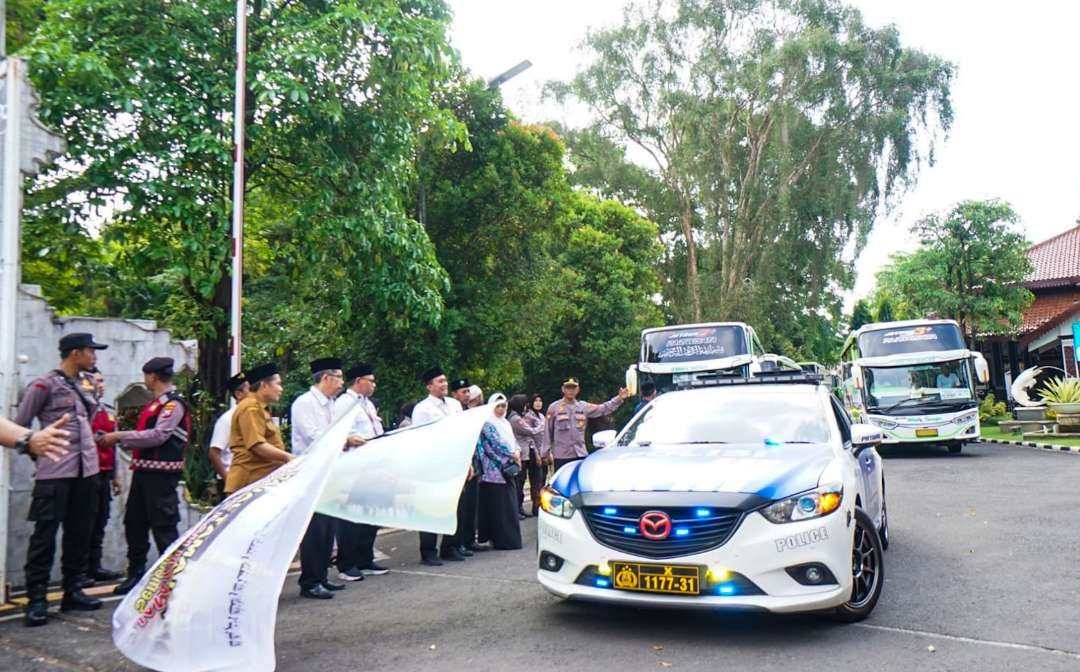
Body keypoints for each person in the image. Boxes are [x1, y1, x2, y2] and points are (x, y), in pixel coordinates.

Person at [14, 332, 107, 625]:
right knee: (44, 536)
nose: (95, 356)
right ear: (75, 353)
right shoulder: (43, 385)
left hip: (87, 472)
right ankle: (37, 600)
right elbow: (20, 428)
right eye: (91, 351)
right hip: (55, 473)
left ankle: (73, 591)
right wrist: (40, 456)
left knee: (80, 533)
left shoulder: (86, 385)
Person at [102, 357, 190, 596]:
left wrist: (120, 436)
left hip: (161, 475)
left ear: (152, 376)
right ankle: (136, 573)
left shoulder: (173, 404)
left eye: (146, 376)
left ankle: (172, 578)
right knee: (135, 523)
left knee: (164, 526)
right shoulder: (157, 404)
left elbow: (158, 436)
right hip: (144, 472)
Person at [291, 357, 347, 599]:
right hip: (311, 472)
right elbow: (314, 436)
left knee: (328, 528)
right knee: (314, 529)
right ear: (326, 378)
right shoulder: (304, 403)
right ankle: (310, 581)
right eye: (339, 377)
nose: (342, 383)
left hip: (329, 470)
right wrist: (346, 439)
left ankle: (322, 576)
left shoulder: (331, 404)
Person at [333, 363, 390, 580]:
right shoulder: (344, 404)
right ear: (358, 381)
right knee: (352, 518)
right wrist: (351, 440)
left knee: (371, 515)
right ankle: (347, 565)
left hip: (373, 466)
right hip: (353, 467)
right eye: (371, 380)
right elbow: (338, 434)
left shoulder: (367, 404)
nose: (374, 385)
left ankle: (365, 559)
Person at [410, 366, 464, 565]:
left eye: (445, 381)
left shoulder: (454, 404)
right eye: (440, 382)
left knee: (455, 506)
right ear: (429, 386)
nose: (444, 384)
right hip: (432, 463)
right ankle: (428, 550)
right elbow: (420, 439)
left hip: (455, 461)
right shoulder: (422, 409)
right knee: (430, 507)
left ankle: (450, 547)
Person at [224, 363, 291, 495]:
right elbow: (257, 445)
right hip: (248, 484)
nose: (281, 389)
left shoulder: (260, 408)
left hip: (260, 482)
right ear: (264, 385)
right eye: (278, 384)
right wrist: (288, 457)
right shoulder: (250, 408)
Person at [546, 377, 629, 471]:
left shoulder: (583, 407)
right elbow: (547, 432)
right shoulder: (554, 408)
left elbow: (603, 409)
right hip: (562, 456)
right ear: (563, 389)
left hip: (580, 454)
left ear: (577, 390)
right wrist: (546, 453)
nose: (571, 391)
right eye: (568, 388)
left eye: (573, 388)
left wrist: (619, 398)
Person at [87, 368, 122, 583]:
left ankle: (94, 566)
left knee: (100, 519)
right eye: (96, 381)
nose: (101, 385)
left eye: (102, 381)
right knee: (84, 522)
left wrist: (117, 476)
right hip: (86, 473)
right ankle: (79, 570)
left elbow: (114, 447)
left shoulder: (108, 411)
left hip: (105, 473)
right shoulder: (82, 411)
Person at [476, 394, 523, 550]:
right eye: (498, 406)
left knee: (508, 507)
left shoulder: (506, 423)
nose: (501, 409)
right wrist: (512, 455)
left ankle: (509, 540)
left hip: (508, 468)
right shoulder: (487, 424)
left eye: (504, 406)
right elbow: (494, 445)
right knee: (499, 508)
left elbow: (513, 441)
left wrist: (517, 451)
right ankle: (501, 541)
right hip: (494, 472)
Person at [208, 372, 249, 503]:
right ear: (239, 394)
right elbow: (214, 453)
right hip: (232, 481)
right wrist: (229, 482)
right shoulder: (227, 420)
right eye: (250, 389)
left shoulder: (252, 416)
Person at [508, 394, 546, 518]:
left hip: (527, 452)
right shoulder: (515, 419)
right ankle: (516, 509)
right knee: (519, 483)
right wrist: (542, 424)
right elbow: (531, 431)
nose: (527, 408)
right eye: (525, 405)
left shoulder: (521, 416)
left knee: (526, 480)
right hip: (520, 454)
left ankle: (520, 508)